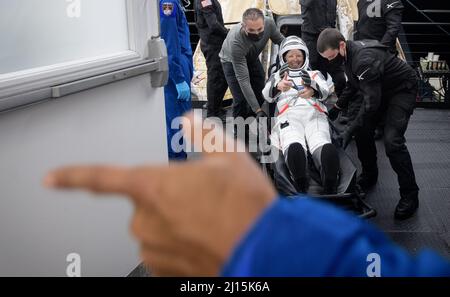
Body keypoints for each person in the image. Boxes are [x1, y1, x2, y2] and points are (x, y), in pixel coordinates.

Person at [43, 112, 450, 276]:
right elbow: (273, 104)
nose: (292, 61)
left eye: (296, 58)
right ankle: (298, 157)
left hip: (312, 111)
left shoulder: (315, 78)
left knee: (321, 137)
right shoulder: (280, 79)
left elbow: (328, 97)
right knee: (291, 137)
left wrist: (316, 100)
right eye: (288, 58)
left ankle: (324, 162)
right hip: (290, 115)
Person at [318, 28, 419, 220]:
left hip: (401, 90)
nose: (330, 62)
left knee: (392, 141)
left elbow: (370, 105)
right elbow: (354, 85)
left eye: (331, 57)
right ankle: (370, 174)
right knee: (363, 131)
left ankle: (410, 195)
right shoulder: (349, 53)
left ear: (341, 45)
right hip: (380, 88)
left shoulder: (363, 60)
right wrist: (337, 107)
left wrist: (348, 130)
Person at [262, 36, 339, 194]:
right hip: (288, 115)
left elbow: (325, 92)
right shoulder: (277, 76)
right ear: (283, 57)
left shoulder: (314, 74)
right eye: (290, 55)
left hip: (314, 113)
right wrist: (278, 87)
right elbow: (266, 95)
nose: (295, 59)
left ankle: (329, 178)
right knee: (293, 142)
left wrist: (313, 88)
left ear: (305, 56)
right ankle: (300, 178)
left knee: (321, 141)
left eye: (298, 55)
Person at [219, 8, 284, 124]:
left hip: (252, 58)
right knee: (240, 99)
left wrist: (296, 51)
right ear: (243, 26)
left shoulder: (269, 23)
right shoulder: (236, 41)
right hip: (231, 61)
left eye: (260, 29)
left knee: (261, 90)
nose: (256, 33)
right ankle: (239, 131)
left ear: (264, 23)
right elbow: (243, 80)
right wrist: (258, 109)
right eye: (251, 30)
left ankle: (252, 122)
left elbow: (281, 41)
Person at [354, 0, 404, 139]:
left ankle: (381, 125)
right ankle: (367, 123)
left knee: (382, 91)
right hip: (364, 51)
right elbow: (361, 26)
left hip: (382, 54)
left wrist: (380, 50)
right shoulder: (362, 1)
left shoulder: (391, 1)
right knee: (365, 89)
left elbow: (393, 28)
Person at [160, 0, 194, 160]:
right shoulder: (168, 3)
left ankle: (177, 155)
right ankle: (176, 159)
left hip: (181, 63)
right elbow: (170, 43)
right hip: (176, 66)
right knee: (176, 118)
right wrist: (179, 78)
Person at [299, 0, 346, 97]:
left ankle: (342, 105)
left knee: (339, 75)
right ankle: (314, 105)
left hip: (329, 34)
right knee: (313, 73)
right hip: (311, 36)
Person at [194, 0, 229, 120]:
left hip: (216, 44)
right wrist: (228, 34)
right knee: (215, 78)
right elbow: (213, 25)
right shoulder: (205, 0)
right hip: (212, 45)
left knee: (221, 77)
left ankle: (216, 106)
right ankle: (212, 113)